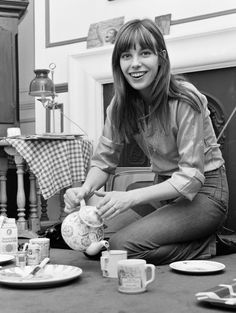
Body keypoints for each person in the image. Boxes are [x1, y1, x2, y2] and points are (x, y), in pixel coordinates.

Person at [64, 18, 229, 265]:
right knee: (94, 237)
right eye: (126, 56)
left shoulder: (185, 100)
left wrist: (129, 197)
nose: (135, 64)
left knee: (120, 247)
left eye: (145, 53)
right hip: (161, 192)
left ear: (161, 57)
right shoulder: (119, 106)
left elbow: (191, 178)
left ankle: (210, 245)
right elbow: (103, 161)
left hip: (204, 194)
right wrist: (85, 190)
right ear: (118, 63)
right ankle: (174, 234)